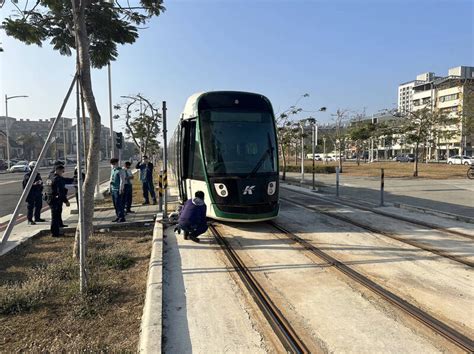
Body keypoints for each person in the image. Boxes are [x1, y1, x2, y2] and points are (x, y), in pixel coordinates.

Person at [45, 164, 72, 237]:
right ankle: (55, 233)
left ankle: (59, 226)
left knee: (57, 214)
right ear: (58, 170)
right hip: (55, 199)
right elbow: (61, 192)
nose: (62, 172)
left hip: (49, 198)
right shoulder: (57, 179)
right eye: (62, 171)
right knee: (55, 217)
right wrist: (66, 201)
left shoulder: (50, 177)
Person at [109, 158, 126, 223]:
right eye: (111, 164)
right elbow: (111, 179)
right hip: (113, 189)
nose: (112, 165)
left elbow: (122, 180)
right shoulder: (113, 170)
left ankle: (122, 217)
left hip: (118, 190)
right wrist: (110, 188)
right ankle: (118, 216)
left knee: (119, 204)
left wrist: (121, 189)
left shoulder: (120, 170)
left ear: (116, 163)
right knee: (115, 204)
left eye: (113, 164)